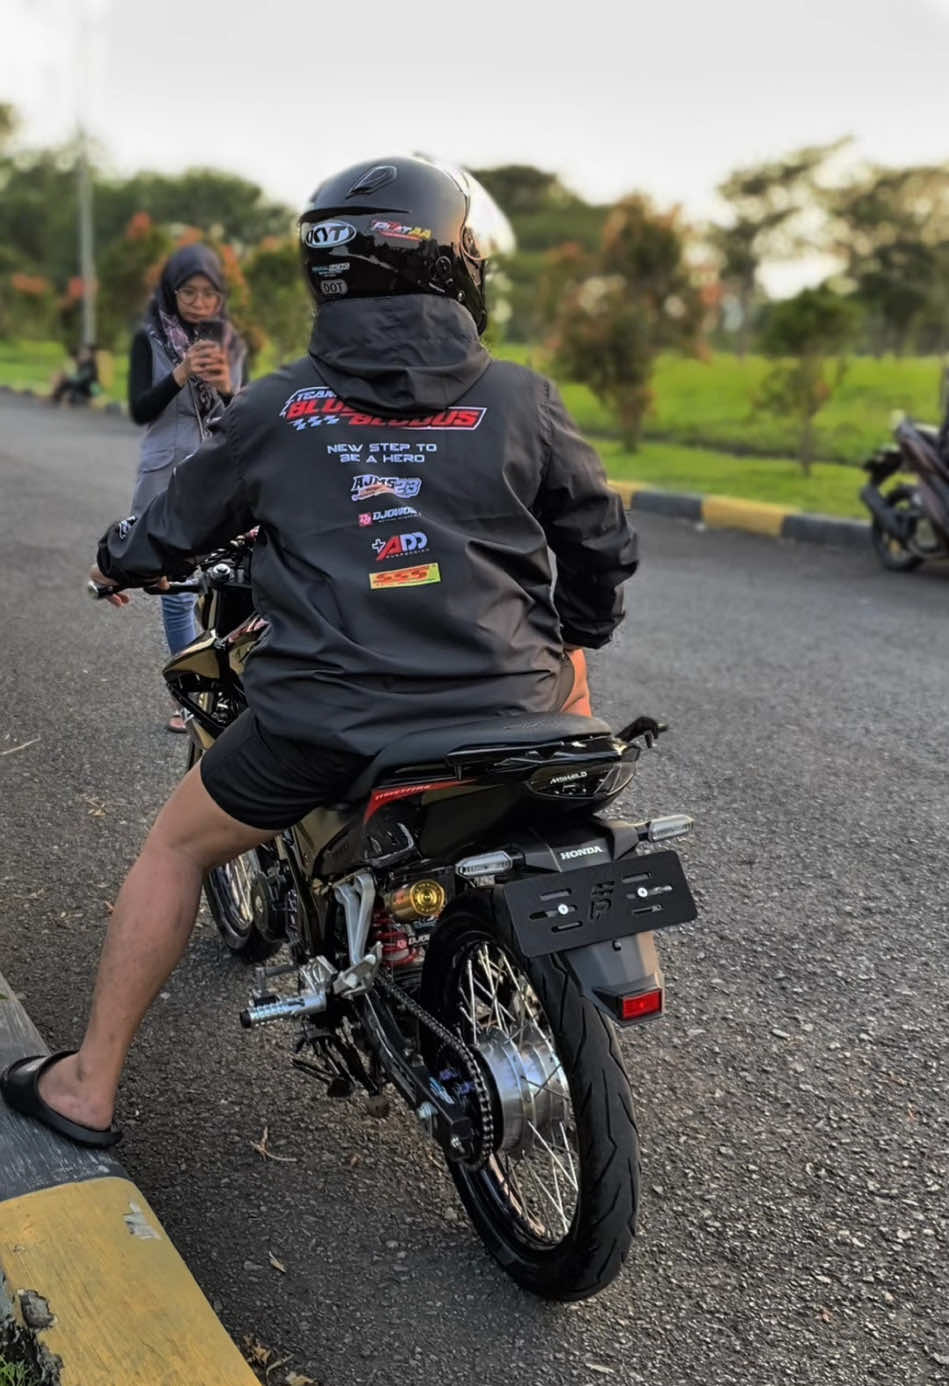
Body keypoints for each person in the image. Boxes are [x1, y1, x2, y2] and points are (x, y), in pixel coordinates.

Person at [0, 156, 638, 1148]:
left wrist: (118, 559)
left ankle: (84, 1086)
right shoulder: (521, 399)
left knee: (173, 846)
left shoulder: (278, 408)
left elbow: (168, 530)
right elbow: (597, 540)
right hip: (517, 713)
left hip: (327, 725)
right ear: (449, 263)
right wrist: (577, 644)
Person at [128, 244, 248, 730]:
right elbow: (139, 410)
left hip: (219, 479)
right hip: (166, 477)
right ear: (171, 291)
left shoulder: (231, 341)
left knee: (223, 585)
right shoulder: (149, 338)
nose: (199, 303)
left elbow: (245, 416)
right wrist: (179, 373)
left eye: (209, 293)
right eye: (188, 292)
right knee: (177, 592)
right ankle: (191, 697)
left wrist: (224, 387)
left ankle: (227, 684)